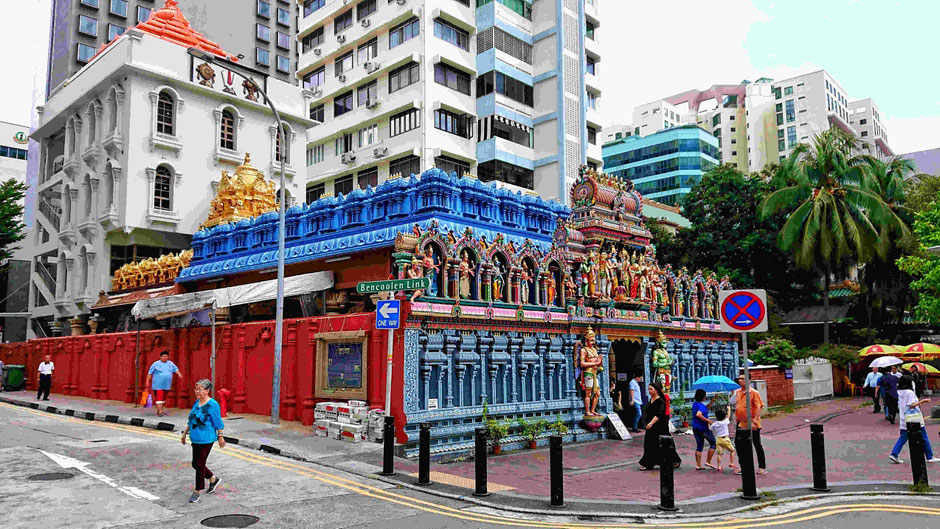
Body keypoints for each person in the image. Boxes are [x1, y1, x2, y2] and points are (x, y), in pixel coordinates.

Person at [181, 379, 226, 503]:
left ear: (207, 390)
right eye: (196, 389)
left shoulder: (213, 404)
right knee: (195, 464)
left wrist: (220, 437)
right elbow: (191, 420)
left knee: (199, 464)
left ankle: (197, 491)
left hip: (207, 439)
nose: (197, 391)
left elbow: (218, 422)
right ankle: (212, 479)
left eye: (200, 389)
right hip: (195, 438)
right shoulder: (197, 402)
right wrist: (184, 434)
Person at [888, 376, 940, 464]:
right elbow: (911, 405)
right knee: (923, 436)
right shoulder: (909, 392)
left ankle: (894, 453)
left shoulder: (900, 392)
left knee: (903, 436)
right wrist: (923, 401)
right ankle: (929, 456)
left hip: (904, 418)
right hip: (914, 418)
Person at [638, 382, 681, 470]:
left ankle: (673, 460)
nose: (649, 391)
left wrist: (651, 423)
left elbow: (659, 414)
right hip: (650, 425)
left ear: (656, 390)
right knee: (649, 444)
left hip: (659, 425)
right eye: (648, 389)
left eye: (651, 389)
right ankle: (648, 463)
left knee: (664, 444)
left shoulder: (661, 400)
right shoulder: (651, 399)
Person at [731, 374, 766, 474]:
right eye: (740, 379)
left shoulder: (754, 393)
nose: (740, 380)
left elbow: (759, 406)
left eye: (743, 379)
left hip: (752, 423)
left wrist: (755, 419)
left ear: (749, 380)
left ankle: (762, 467)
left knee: (756, 444)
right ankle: (743, 466)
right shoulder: (737, 392)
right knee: (739, 444)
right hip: (740, 423)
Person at [146, 350, 183, 417]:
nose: (165, 357)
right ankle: (160, 412)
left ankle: (159, 410)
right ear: (160, 357)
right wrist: (147, 381)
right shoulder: (155, 364)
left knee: (163, 398)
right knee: (159, 397)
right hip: (158, 384)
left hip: (167, 384)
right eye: (164, 356)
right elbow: (150, 373)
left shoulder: (170, 363)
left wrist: (179, 374)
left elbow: (176, 369)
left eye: (166, 356)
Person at [692, 389, 717, 470]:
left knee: (699, 446)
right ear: (703, 397)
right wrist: (708, 421)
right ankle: (708, 461)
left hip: (696, 427)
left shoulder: (695, 404)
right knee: (713, 443)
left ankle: (698, 464)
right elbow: (699, 414)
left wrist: (712, 401)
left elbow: (705, 408)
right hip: (704, 428)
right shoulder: (701, 406)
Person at [710, 407, 736, 472]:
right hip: (725, 439)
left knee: (719, 454)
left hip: (718, 439)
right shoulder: (725, 422)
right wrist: (729, 409)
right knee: (732, 450)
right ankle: (731, 463)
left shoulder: (715, 424)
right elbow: (729, 416)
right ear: (724, 416)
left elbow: (710, 428)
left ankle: (719, 466)